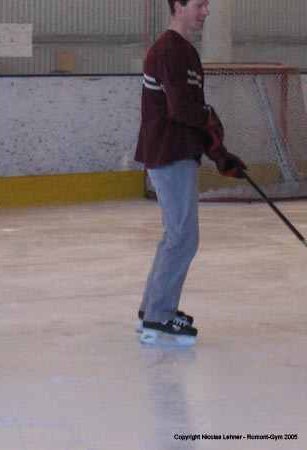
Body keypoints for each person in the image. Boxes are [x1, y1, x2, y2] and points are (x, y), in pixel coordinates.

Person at [134, 0, 247, 346]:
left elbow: (192, 111)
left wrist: (218, 152)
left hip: (178, 151)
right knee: (183, 236)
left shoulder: (186, 52)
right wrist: (212, 124)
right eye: (199, 5)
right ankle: (159, 316)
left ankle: (152, 310)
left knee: (177, 235)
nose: (206, 12)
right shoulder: (170, 50)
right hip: (168, 153)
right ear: (178, 6)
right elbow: (183, 110)